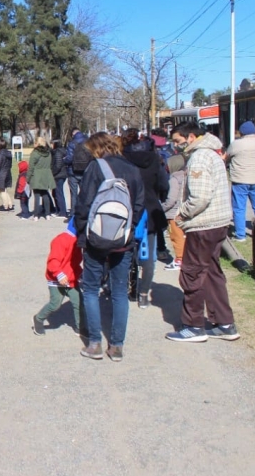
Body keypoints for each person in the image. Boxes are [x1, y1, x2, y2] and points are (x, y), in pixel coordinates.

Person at [73, 132, 145, 362]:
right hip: (122, 240)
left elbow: (83, 205)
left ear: (96, 148)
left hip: (96, 238)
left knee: (91, 289)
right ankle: (116, 346)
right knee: (119, 292)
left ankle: (95, 343)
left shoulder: (95, 168)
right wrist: (128, 230)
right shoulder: (133, 169)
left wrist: (83, 234)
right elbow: (139, 204)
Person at [166, 122, 240, 342]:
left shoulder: (199, 157)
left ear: (190, 137)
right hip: (216, 223)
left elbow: (200, 197)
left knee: (192, 273)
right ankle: (225, 323)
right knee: (211, 274)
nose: (176, 147)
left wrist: (182, 214)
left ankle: (193, 325)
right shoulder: (212, 153)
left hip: (204, 225)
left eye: (178, 141)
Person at [121, 128, 169, 309]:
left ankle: (124, 287)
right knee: (149, 254)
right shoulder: (155, 160)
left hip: (128, 210)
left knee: (124, 250)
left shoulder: (123, 160)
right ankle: (143, 294)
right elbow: (164, 184)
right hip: (149, 210)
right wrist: (160, 197)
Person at [32, 218, 84, 336]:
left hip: (71, 279)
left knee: (79, 302)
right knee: (55, 304)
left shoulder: (78, 242)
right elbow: (53, 261)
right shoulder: (61, 240)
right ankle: (38, 318)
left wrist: (80, 273)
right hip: (56, 279)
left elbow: (74, 263)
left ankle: (80, 327)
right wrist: (59, 274)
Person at [225, 121, 255, 242]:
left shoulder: (237, 144)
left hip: (240, 180)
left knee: (239, 208)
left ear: (241, 132)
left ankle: (240, 235)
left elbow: (227, 157)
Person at [161, 153, 187, 272]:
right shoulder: (187, 176)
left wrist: (163, 207)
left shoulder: (174, 179)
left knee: (176, 237)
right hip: (185, 211)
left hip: (173, 213)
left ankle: (179, 259)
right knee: (185, 237)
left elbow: (171, 199)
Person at [27, 137, 55, 220]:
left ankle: (36, 215)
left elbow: (31, 167)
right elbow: (50, 164)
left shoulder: (35, 153)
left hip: (37, 175)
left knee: (37, 195)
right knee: (45, 194)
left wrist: (28, 178)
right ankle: (47, 214)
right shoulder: (48, 153)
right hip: (46, 174)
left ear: (37, 143)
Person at [64, 128, 90, 217]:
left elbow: (69, 158)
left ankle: (73, 213)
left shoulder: (72, 143)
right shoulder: (88, 142)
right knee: (85, 192)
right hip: (85, 171)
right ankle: (84, 212)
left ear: (73, 134)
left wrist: (65, 161)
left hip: (73, 171)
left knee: (73, 194)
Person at [0, 139, 13, 212]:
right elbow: (10, 165)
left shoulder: (0, 155)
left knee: (2, 190)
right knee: (5, 190)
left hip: (1, 174)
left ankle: (5, 205)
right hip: (7, 172)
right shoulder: (8, 153)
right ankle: (10, 204)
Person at [51, 139, 68, 218]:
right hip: (61, 174)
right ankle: (59, 210)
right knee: (56, 193)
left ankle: (62, 212)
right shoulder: (61, 151)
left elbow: (58, 165)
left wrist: (52, 173)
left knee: (59, 193)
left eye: (52, 143)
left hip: (59, 175)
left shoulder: (58, 153)